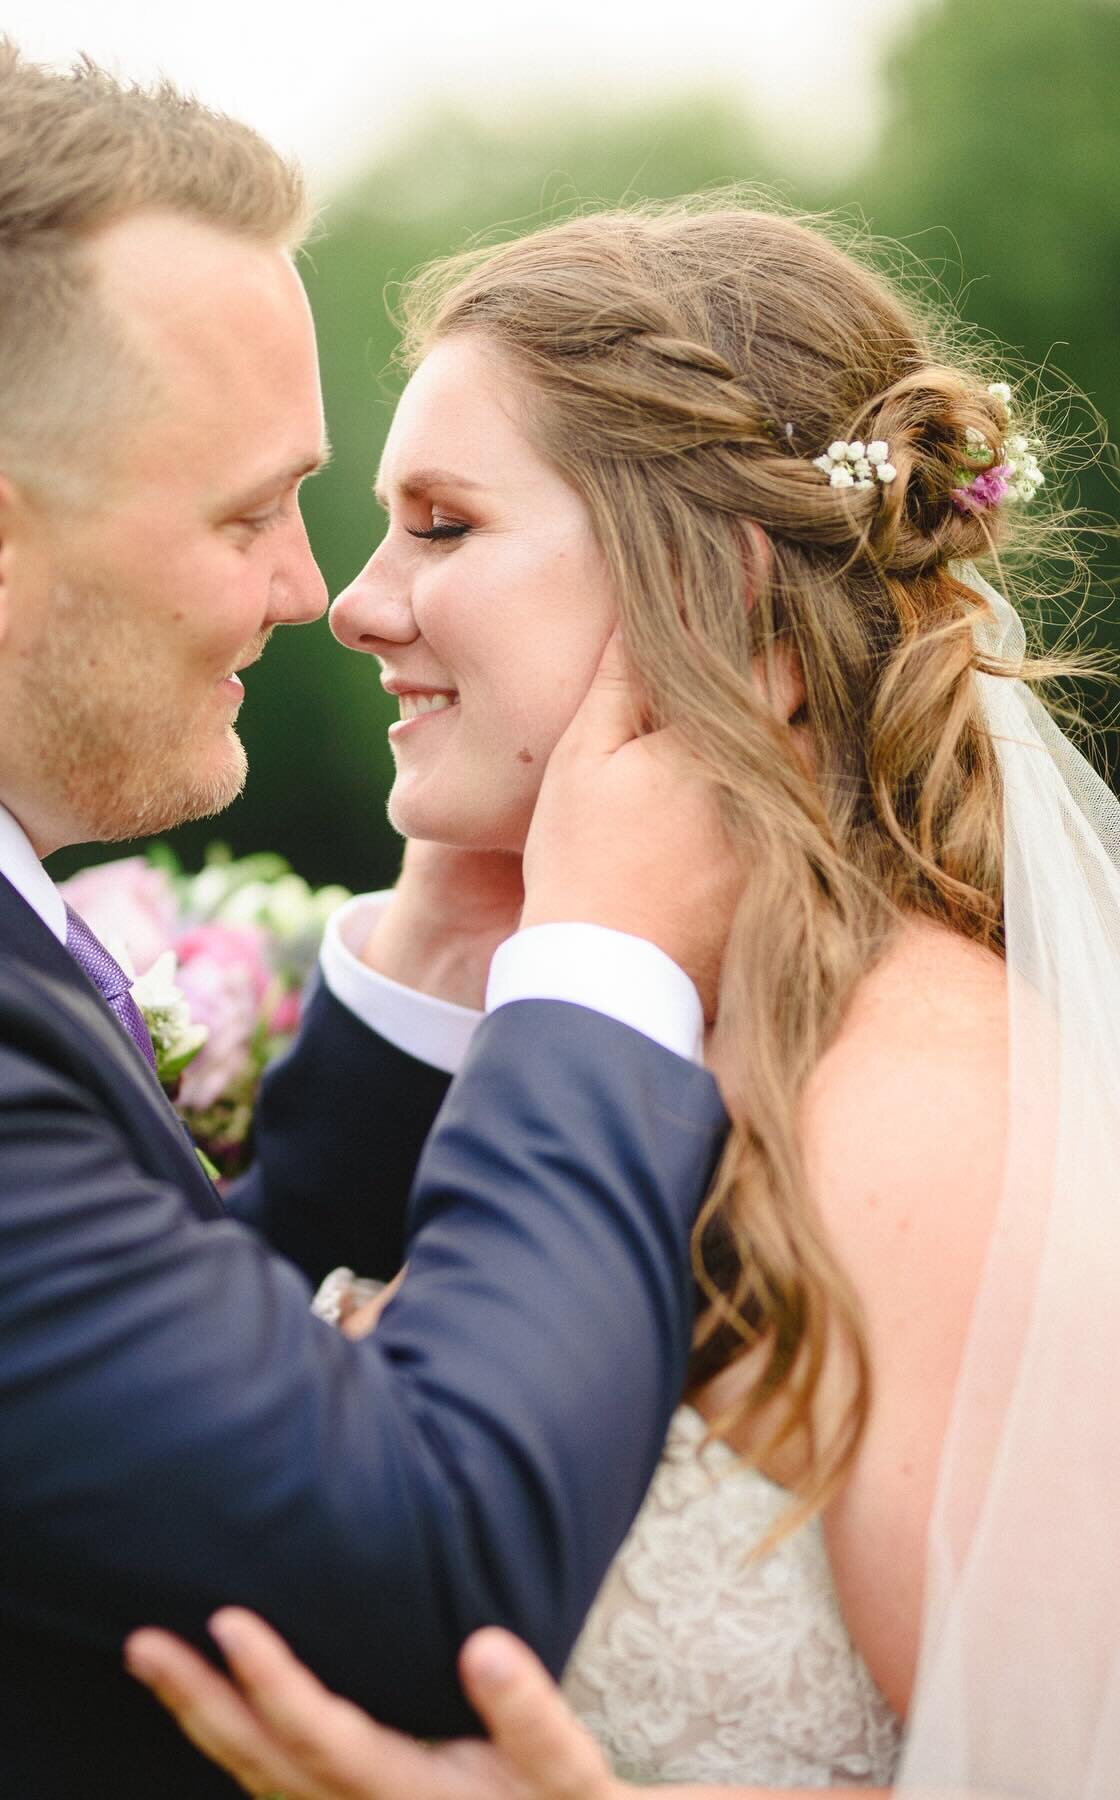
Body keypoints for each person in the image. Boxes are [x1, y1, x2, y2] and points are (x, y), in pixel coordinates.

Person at [0, 50, 740, 1798]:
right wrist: (605, 972)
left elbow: (93, 1404)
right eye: (250, 511)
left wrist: (425, 986)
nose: (308, 589)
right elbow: (429, 1567)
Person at [127, 203, 1120, 1797]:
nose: (359, 604)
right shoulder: (545, 1025)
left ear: (721, 591)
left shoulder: (920, 1097)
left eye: (443, 526)